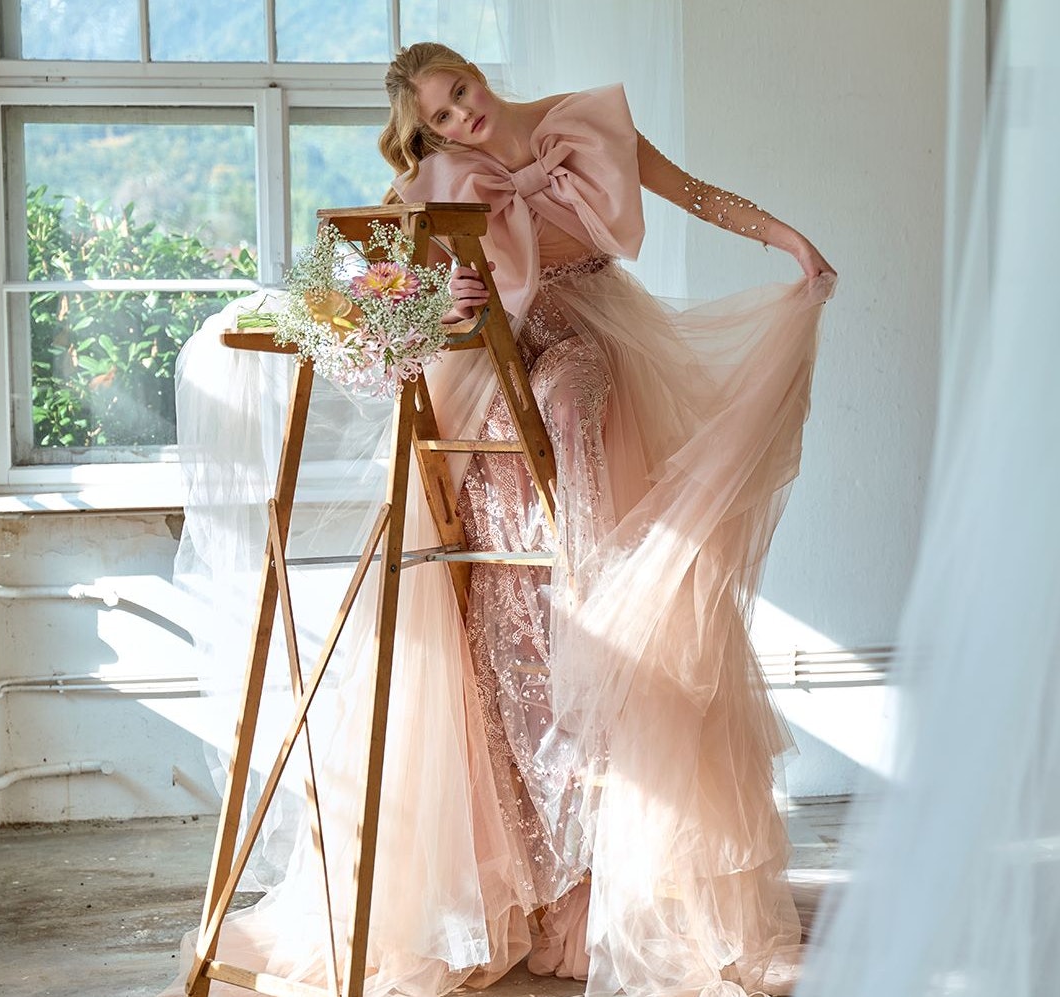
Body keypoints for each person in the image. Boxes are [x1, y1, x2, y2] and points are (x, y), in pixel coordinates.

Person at [171, 40, 835, 997]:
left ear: (473, 73)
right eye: (439, 119)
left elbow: (692, 192)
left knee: (573, 395)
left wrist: (789, 242)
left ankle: (598, 602)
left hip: (593, 351)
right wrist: (447, 298)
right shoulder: (438, 182)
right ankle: (534, 889)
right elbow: (374, 288)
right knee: (503, 615)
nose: (460, 118)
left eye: (458, 93)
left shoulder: (581, 125)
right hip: (498, 371)